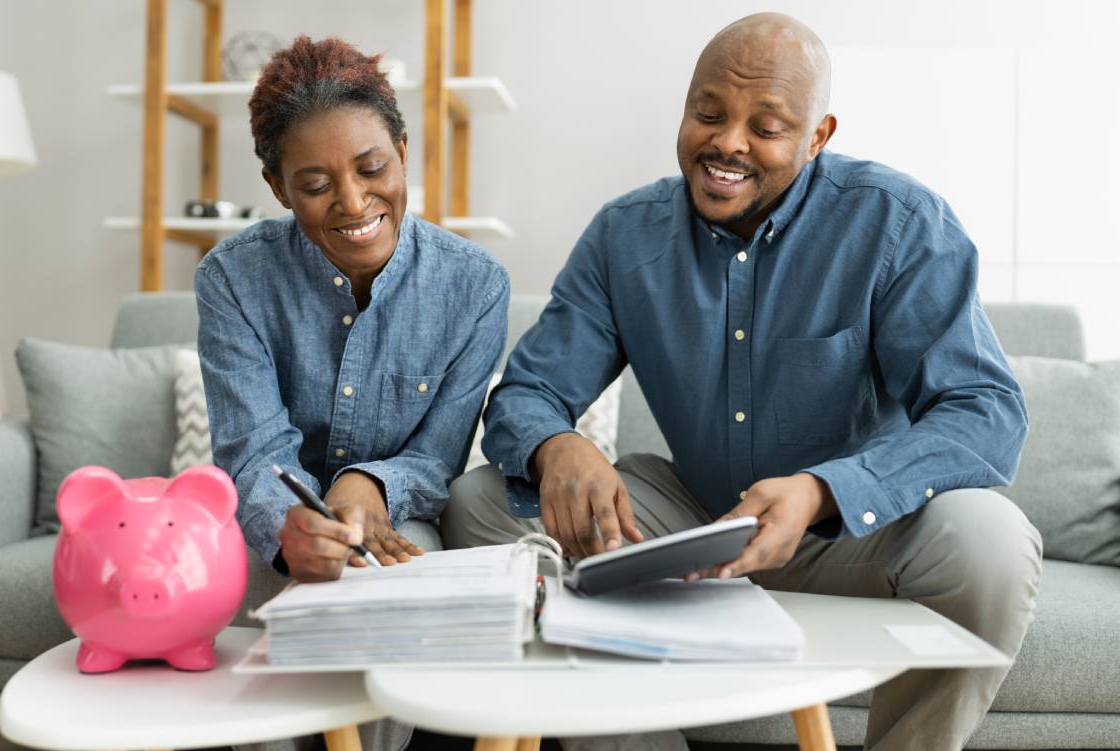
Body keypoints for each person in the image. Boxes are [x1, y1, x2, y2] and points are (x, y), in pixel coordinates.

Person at [443, 12, 1041, 751]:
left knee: (991, 541)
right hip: (694, 515)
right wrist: (557, 443)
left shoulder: (898, 223)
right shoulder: (622, 235)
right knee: (482, 504)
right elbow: (526, 394)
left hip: (848, 532)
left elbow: (985, 412)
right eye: (709, 113)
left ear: (818, 136)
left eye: (767, 125)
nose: (727, 142)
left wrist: (826, 489)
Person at [196, 36, 508, 590]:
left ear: (403, 153)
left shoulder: (476, 287)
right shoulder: (232, 279)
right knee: (232, 584)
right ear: (278, 188)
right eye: (316, 186)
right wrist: (288, 527)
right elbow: (251, 453)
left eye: (372, 168)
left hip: (398, 513)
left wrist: (367, 484)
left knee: (393, 583)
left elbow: (437, 460)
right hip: (275, 515)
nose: (354, 202)